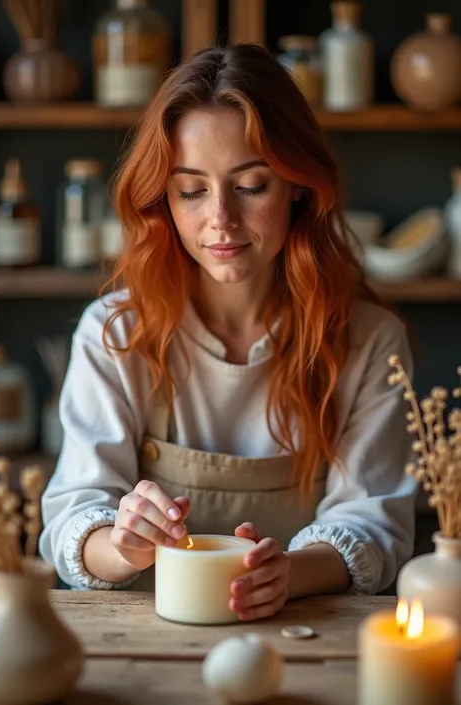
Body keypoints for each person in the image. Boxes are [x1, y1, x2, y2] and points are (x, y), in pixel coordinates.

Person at [40, 43, 416, 621]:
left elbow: (371, 522)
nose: (220, 218)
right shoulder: (116, 334)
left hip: (304, 637)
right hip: (142, 640)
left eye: (250, 185)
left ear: (299, 186)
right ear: (163, 199)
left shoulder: (368, 340)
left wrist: (287, 574)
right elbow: (74, 516)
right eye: (192, 190)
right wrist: (121, 544)